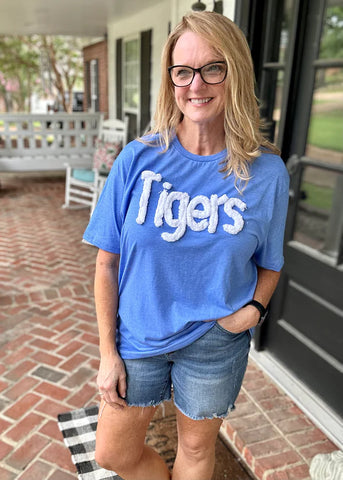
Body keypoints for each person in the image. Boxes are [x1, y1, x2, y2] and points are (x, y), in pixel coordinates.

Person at [83, 10, 289, 480]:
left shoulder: (267, 174)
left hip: (217, 342)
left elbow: (271, 263)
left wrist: (253, 310)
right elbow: (106, 263)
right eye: (183, 71)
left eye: (213, 67)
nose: (196, 84)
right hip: (139, 334)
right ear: (170, 79)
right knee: (112, 453)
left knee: (196, 454)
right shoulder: (137, 158)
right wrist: (108, 352)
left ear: (234, 72)